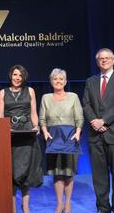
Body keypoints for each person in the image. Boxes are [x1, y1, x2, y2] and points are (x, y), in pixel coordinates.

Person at [0, 64, 43, 213]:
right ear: (10, 76)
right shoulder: (2, 93)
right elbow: (0, 116)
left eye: (20, 75)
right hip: (10, 135)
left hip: (27, 133)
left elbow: (33, 112)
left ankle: (26, 206)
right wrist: (3, 130)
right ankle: (12, 207)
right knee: (11, 172)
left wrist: (36, 126)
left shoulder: (30, 91)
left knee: (26, 171)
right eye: (15, 75)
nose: (17, 78)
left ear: (24, 78)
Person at [39, 68, 84, 213]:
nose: (58, 81)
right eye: (55, 79)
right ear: (51, 81)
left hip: (71, 137)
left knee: (69, 172)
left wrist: (78, 132)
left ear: (65, 81)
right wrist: (45, 132)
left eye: (61, 79)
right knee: (57, 172)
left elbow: (79, 118)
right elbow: (42, 118)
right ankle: (59, 204)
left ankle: (68, 203)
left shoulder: (73, 96)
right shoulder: (46, 97)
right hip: (53, 138)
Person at [83, 48, 114, 213]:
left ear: (113, 60)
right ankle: (103, 208)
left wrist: (104, 120)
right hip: (96, 136)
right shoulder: (91, 81)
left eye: (107, 58)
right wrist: (94, 121)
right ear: (97, 62)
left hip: (113, 134)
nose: (104, 60)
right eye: (101, 58)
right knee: (99, 176)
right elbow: (86, 104)